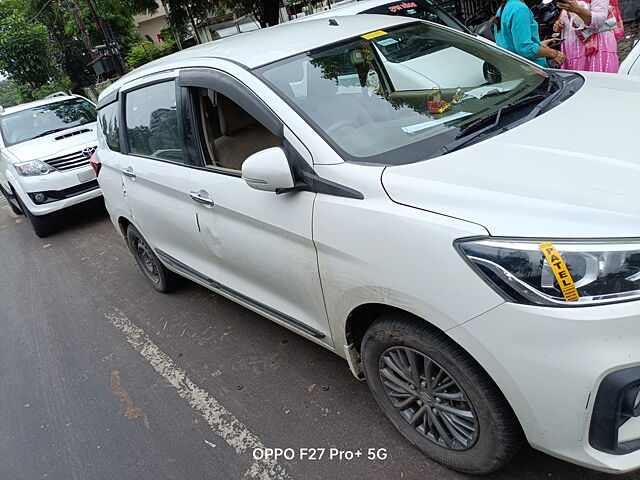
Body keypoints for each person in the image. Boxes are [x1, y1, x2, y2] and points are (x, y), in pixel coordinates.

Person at [554, 0, 624, 72]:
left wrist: (577, 9)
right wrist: (559, 24)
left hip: (597, 47)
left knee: (598, 78)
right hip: (574, 50)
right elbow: (567, 18)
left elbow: (599, 19)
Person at [494, 0, 566, 67]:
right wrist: (554, 53)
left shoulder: (505, 7)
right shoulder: (520, 9)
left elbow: (511, 43)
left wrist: (539, 44)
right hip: (529, 71)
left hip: (511, 67)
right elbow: (526, 50)